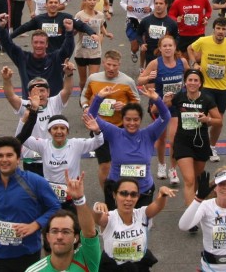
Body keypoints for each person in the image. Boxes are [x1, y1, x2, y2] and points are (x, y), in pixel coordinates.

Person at [0, 136, 60, 272]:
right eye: (0, 156)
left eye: (9, 155)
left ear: (18, 159)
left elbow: (55, 208)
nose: (4, 160)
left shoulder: (35, 182)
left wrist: (35, 225)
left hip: (27, 253)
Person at [89, 83, 171, 209]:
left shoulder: (149, 134)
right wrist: (99, 97)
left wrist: (157, 99)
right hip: (117, 191)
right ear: (122, 119)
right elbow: (91, 116)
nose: (132, 123)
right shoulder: (114, 133)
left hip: (143, 191)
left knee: (140, 227)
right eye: (128, 119)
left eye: (136, 120)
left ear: (140, 120)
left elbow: (165, 117)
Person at [80, 50, 140, 191]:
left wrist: (125, 107)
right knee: (105, 165)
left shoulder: (127, 81)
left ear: (119, 64)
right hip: (98, 129)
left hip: (120, 129)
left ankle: (124, 191)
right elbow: (83, 96)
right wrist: (86, 107)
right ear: (103, 63)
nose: (111, 68)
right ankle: (108, 197)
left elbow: (137, 102)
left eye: (115, 65)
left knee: (122, 164)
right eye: (109, 65)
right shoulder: (93, 78)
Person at [135, 34, 191, 184]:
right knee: (161, 138)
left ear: (175, 48)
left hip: (176, 106)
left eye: (170, 45)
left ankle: (173, 169)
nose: (167, 48)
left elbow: (190, 76)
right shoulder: (155, 63)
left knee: (174, 140)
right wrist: (147, 78)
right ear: (159, 48)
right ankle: (161, 164)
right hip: (159, 105)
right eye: (164, 46)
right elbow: (139, 81)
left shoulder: (182, 61)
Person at [91, 177, 175, 270]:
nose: (128, 198)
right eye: (123, 193)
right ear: (114, 195)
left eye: (133, 194)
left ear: (138, 197)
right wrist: (97, 206)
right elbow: (97, 218)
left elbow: (158, 205)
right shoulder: (109, 217)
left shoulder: (143, 214)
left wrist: (162, 193)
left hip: (139, 267)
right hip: (113, 268)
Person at [167, 66, 222, 206]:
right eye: (189, 80)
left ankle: (196, 205)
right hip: (182, 142)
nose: (192, 83)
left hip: (200, 142)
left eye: (195, 80)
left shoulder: (207, 99)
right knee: (189, 180)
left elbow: (219, 121)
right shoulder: (179, 97)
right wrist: (161, 99)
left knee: (197, 180)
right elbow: (157, 109)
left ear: (200, 83)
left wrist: (207, 120)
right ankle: (190, 218)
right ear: (185, 82)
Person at [26, 171, 101, 272]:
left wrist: (79, 199)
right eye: (54, 231)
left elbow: (90, 232)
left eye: (66, 231)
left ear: (76, 237)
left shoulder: (86, 260)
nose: (59, 237)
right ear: (47, 237)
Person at [188, 17, 226, 159]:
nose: (221, 31)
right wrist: (194, 63)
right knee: (203, 117)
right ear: (214, 29)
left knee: (218, 122)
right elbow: (190, 48)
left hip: (222, 88)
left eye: (223, 29)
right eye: (218, 28)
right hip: (205, 87)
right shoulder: (204, 41)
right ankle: (195, 140)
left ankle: (211, 146)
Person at [0, 21, 78, 95]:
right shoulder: (23, 58)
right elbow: (8, 45)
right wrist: (2, 27)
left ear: (47, 44)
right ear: (32, 43)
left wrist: (69, 31)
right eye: (36, 42)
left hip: (52, 104)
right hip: (29, 104)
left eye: (41, 42)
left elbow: (67, 49)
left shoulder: (55, 59)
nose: (38, 45)